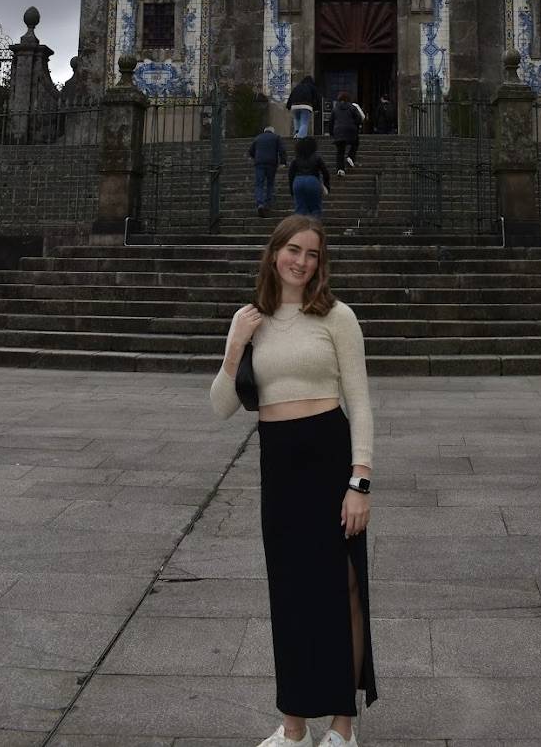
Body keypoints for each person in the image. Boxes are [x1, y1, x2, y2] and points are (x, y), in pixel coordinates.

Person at [210, 216, 376, 747]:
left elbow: (362, 403)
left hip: (329, 459)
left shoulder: (337, 317)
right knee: (289, 595)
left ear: (320, 263)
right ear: (275, 252)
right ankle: (294, 726)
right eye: (293, 250)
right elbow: (221, 406)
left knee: (340, 590)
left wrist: (360, 482)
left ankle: (342, 727)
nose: (301, 261)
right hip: (278, 465)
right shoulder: (252, 321)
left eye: (312, 254)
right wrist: (235, 343)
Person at [249, 126, 287, 217]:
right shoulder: (276, 137)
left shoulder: (258, 138)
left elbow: (251, 151)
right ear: (272, 131)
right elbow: (282, 150)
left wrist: (256, 157)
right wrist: (283, 162)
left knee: (259, 184)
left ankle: (260, 203)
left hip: (259, 163)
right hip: (271, 164)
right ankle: (268, 203)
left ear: (264, 131)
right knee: (270, 183)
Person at [289, 136, 330, 217]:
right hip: (313, 180)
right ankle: (314, 227)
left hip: (298, 181)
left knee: (299, 208)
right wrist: (326, 185)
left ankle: (300, 228)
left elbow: (290, 174)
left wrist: (291, 189)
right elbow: (325, 172)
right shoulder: (317, 157)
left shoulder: (296, 158)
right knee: (315, 208)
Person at [330, 92, 363, 176]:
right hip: (351, 130)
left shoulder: (335, 109)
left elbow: (331, 121)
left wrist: (332, 133)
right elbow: (358, 118)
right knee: (355, 143)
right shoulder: (352, 107)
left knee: (340, 151)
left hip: (338, 131)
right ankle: (350, 156)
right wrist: (356, 126)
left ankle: (340, 169)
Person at [286, 75, 320, 139]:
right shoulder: (312, 87)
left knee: (297, 119)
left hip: (294, 105)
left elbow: (291, 96)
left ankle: (297, 132)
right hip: (305, 105)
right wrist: (316, 109)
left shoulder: (297, 87)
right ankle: (300, 136)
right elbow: (316, 98)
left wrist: (288, 106)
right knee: (304, 122)